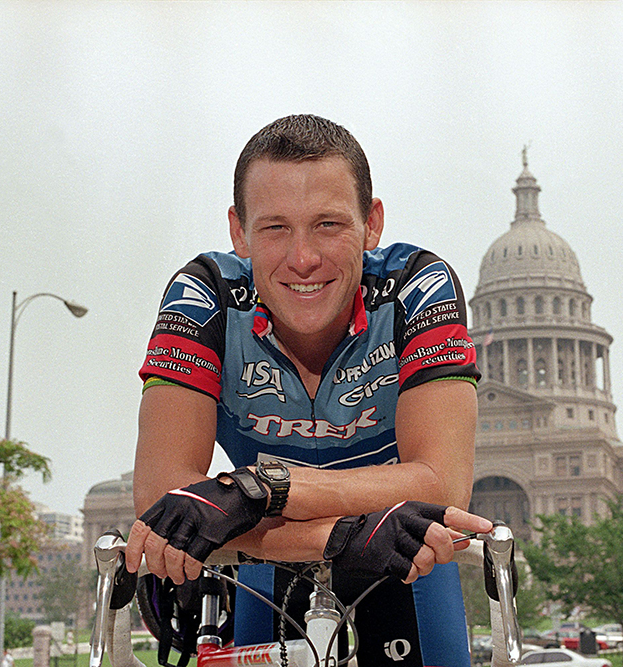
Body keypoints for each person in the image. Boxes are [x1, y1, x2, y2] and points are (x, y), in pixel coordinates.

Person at [125, 114, 489, 667]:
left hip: (395, 549)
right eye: (274, 228)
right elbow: (166, 504)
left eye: (328, 224)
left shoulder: (420, 285)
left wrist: (254, 490)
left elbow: (441, 484)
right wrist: (338, 536)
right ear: (238, 231)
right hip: (300, 551)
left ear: (371, 224)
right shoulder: (203, 297)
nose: (303, 258)